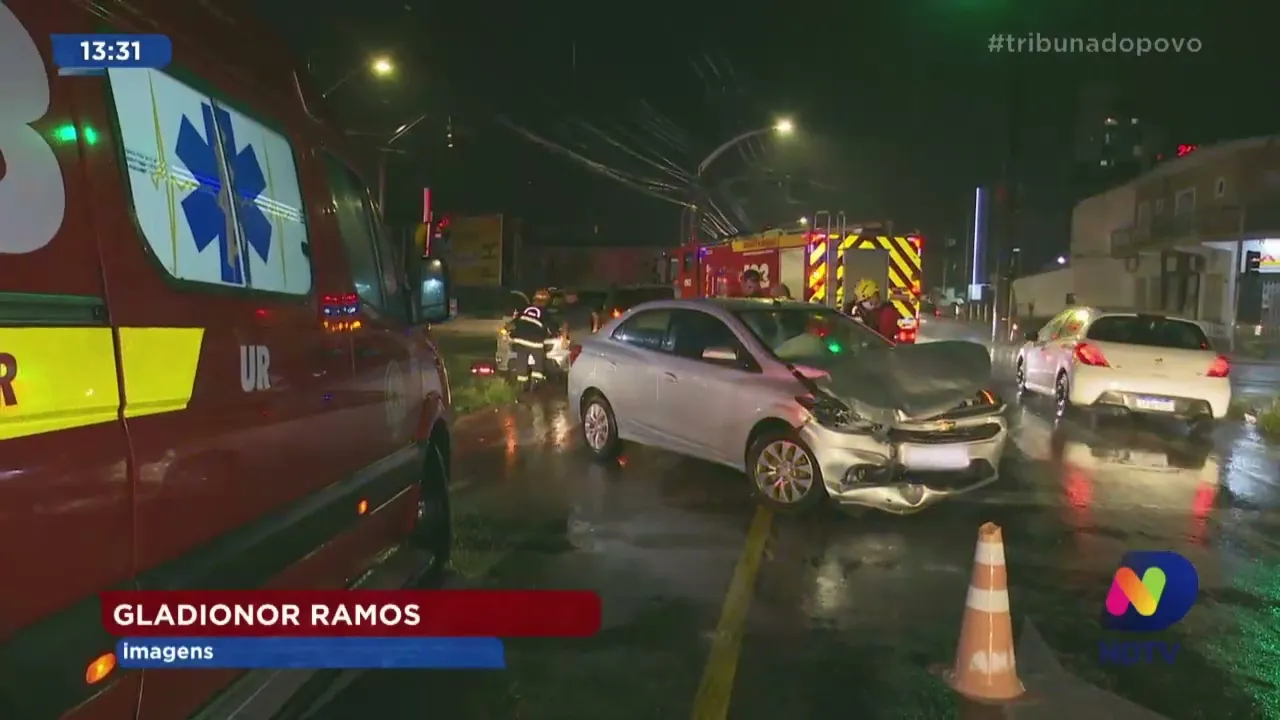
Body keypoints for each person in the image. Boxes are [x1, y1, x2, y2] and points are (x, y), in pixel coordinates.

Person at [510, 304, 551, 387]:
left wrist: (509, 333)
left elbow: (513, 323)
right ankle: (536, 380)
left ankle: (521, 384)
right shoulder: (545, 313)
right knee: (539, 360)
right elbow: (551, 327)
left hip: (520, 339)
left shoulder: (524, 309)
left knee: (521, 360)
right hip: (535, 341)